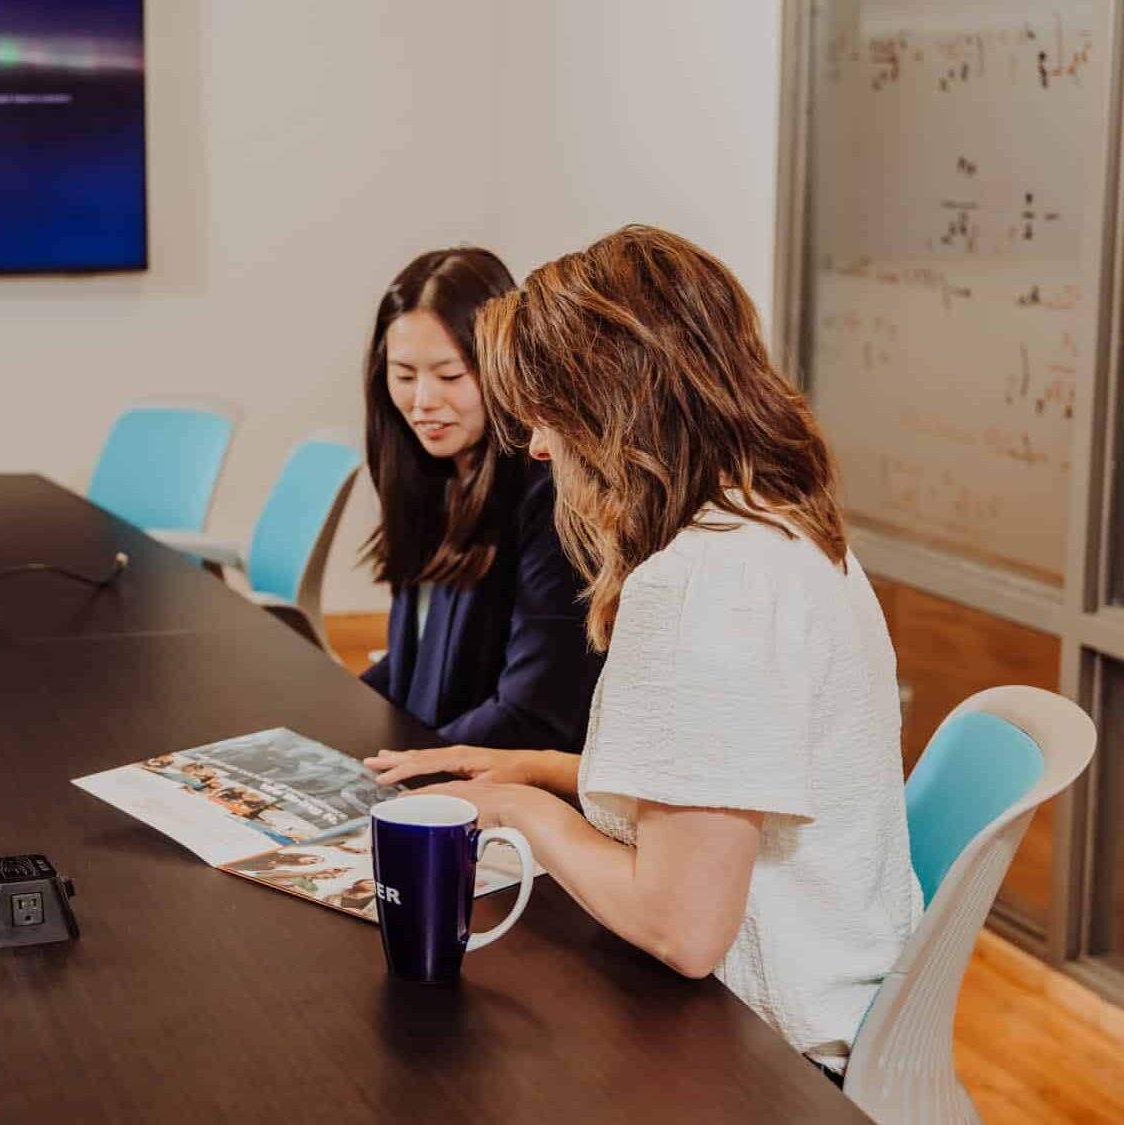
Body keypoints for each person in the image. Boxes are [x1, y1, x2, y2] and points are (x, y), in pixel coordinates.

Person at [366, 226, 921, 1080]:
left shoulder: (703, 585)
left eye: (548, 416)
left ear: (616, 405)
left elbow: (685, 929)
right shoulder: (779, 523)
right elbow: (730, 782)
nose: (540, 448)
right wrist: (545, 768)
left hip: (763, 1058)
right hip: (834, 1002)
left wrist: (525, 814)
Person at [356, 248, 603, 752]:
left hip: (501, 792)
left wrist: (400, 770)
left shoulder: (552, 496)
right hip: (443, 762)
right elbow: (411, 667)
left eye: (449, 376)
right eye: (404, 376)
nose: (423, 402)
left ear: (501, 368)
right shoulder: (432, 476)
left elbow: (532, 715)